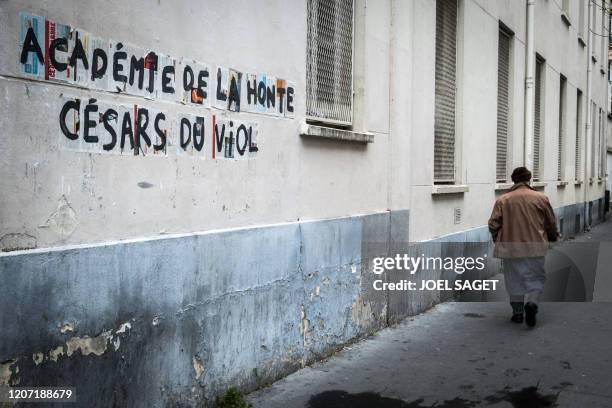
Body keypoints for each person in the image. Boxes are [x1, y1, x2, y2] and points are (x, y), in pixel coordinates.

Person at [488, 167, 559, 327]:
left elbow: (493, 224)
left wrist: (498, 238)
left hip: (511, 248)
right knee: (536, 278)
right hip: (535, 247)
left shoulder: (503, 200)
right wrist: (552, 236)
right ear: (529, 180)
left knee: (514, 281)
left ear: (513, 180)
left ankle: (518, 313)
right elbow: (550, 223)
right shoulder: (541, 198)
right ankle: (532, 303)